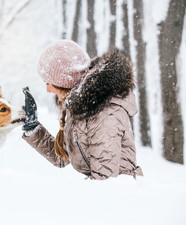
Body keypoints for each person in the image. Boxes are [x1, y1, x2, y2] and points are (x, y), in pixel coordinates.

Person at [22, 39, 143, 180]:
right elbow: (63, 156)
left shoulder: (105, 115)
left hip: (121, 196)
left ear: (64, 82)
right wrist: (33, 128)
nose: (48, 89)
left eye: (49, 82)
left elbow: (105, 181)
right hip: (103, 194)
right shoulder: (84, 109)